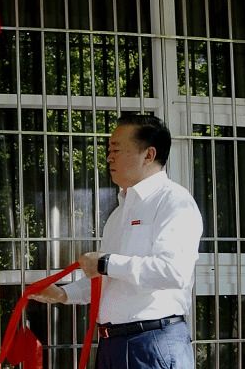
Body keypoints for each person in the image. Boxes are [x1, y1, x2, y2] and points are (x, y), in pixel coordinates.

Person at [30, 114, 203, 369]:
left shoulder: (174, 201)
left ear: (149, 155)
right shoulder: (119, 212)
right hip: (114, 344)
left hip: (151, 342)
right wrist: (64, 294)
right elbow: (108, 279)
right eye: (109, 150)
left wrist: (106, 262)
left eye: (116, 150)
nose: (109, 157)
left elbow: (173, 272)